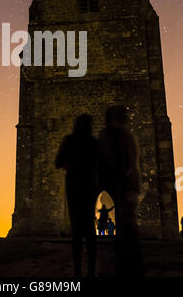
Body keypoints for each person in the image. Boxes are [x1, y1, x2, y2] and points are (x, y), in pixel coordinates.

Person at [98, 105, 143, 277]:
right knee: (125, 230)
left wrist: (131, 186)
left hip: (123, 186)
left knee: (127, 229)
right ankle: (126, 267)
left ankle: (129, 267)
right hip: (118, 186)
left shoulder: (122, 137)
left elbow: (132, 163)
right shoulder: (113, 136)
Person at [55, 114, 98, 277]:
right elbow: (101, 163)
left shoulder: (69, 141)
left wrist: (68, 164)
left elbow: (57, 162)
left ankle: (78, 272)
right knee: (89, 230)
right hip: (90, 187)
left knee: (77, 231)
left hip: (73, 187)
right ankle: (92, 271)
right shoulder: (94, 143)